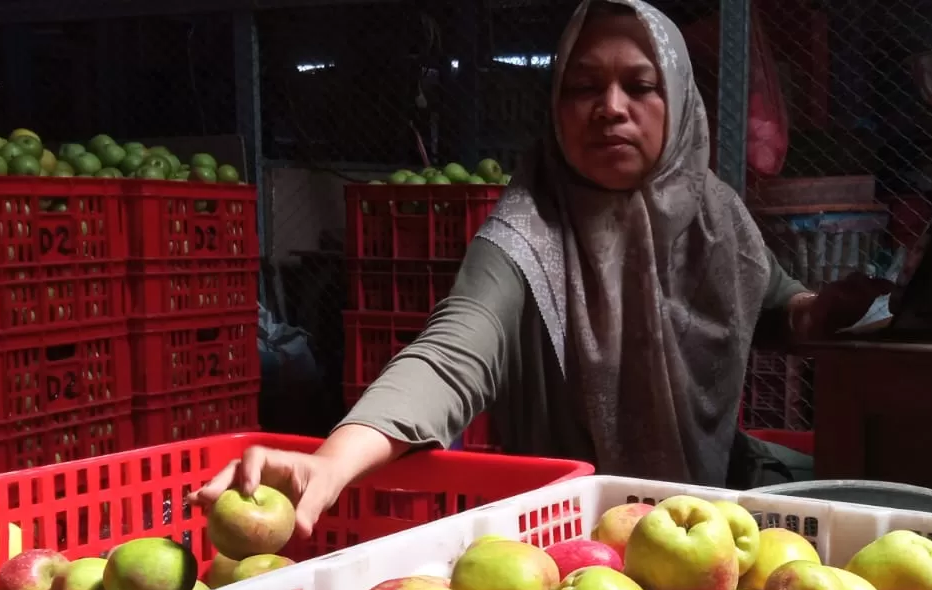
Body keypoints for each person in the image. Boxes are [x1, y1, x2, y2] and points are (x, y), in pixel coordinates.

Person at [193, 0, 889, 537]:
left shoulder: (718, 216)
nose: (610, 107)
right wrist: (333, 459)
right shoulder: (526, 233)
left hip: (714, 512)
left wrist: (816, 313)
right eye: (583, 87)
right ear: (554, 109)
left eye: (639, 86)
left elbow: (771, 302)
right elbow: (452, 351)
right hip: (568, 534)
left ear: (677, 104)